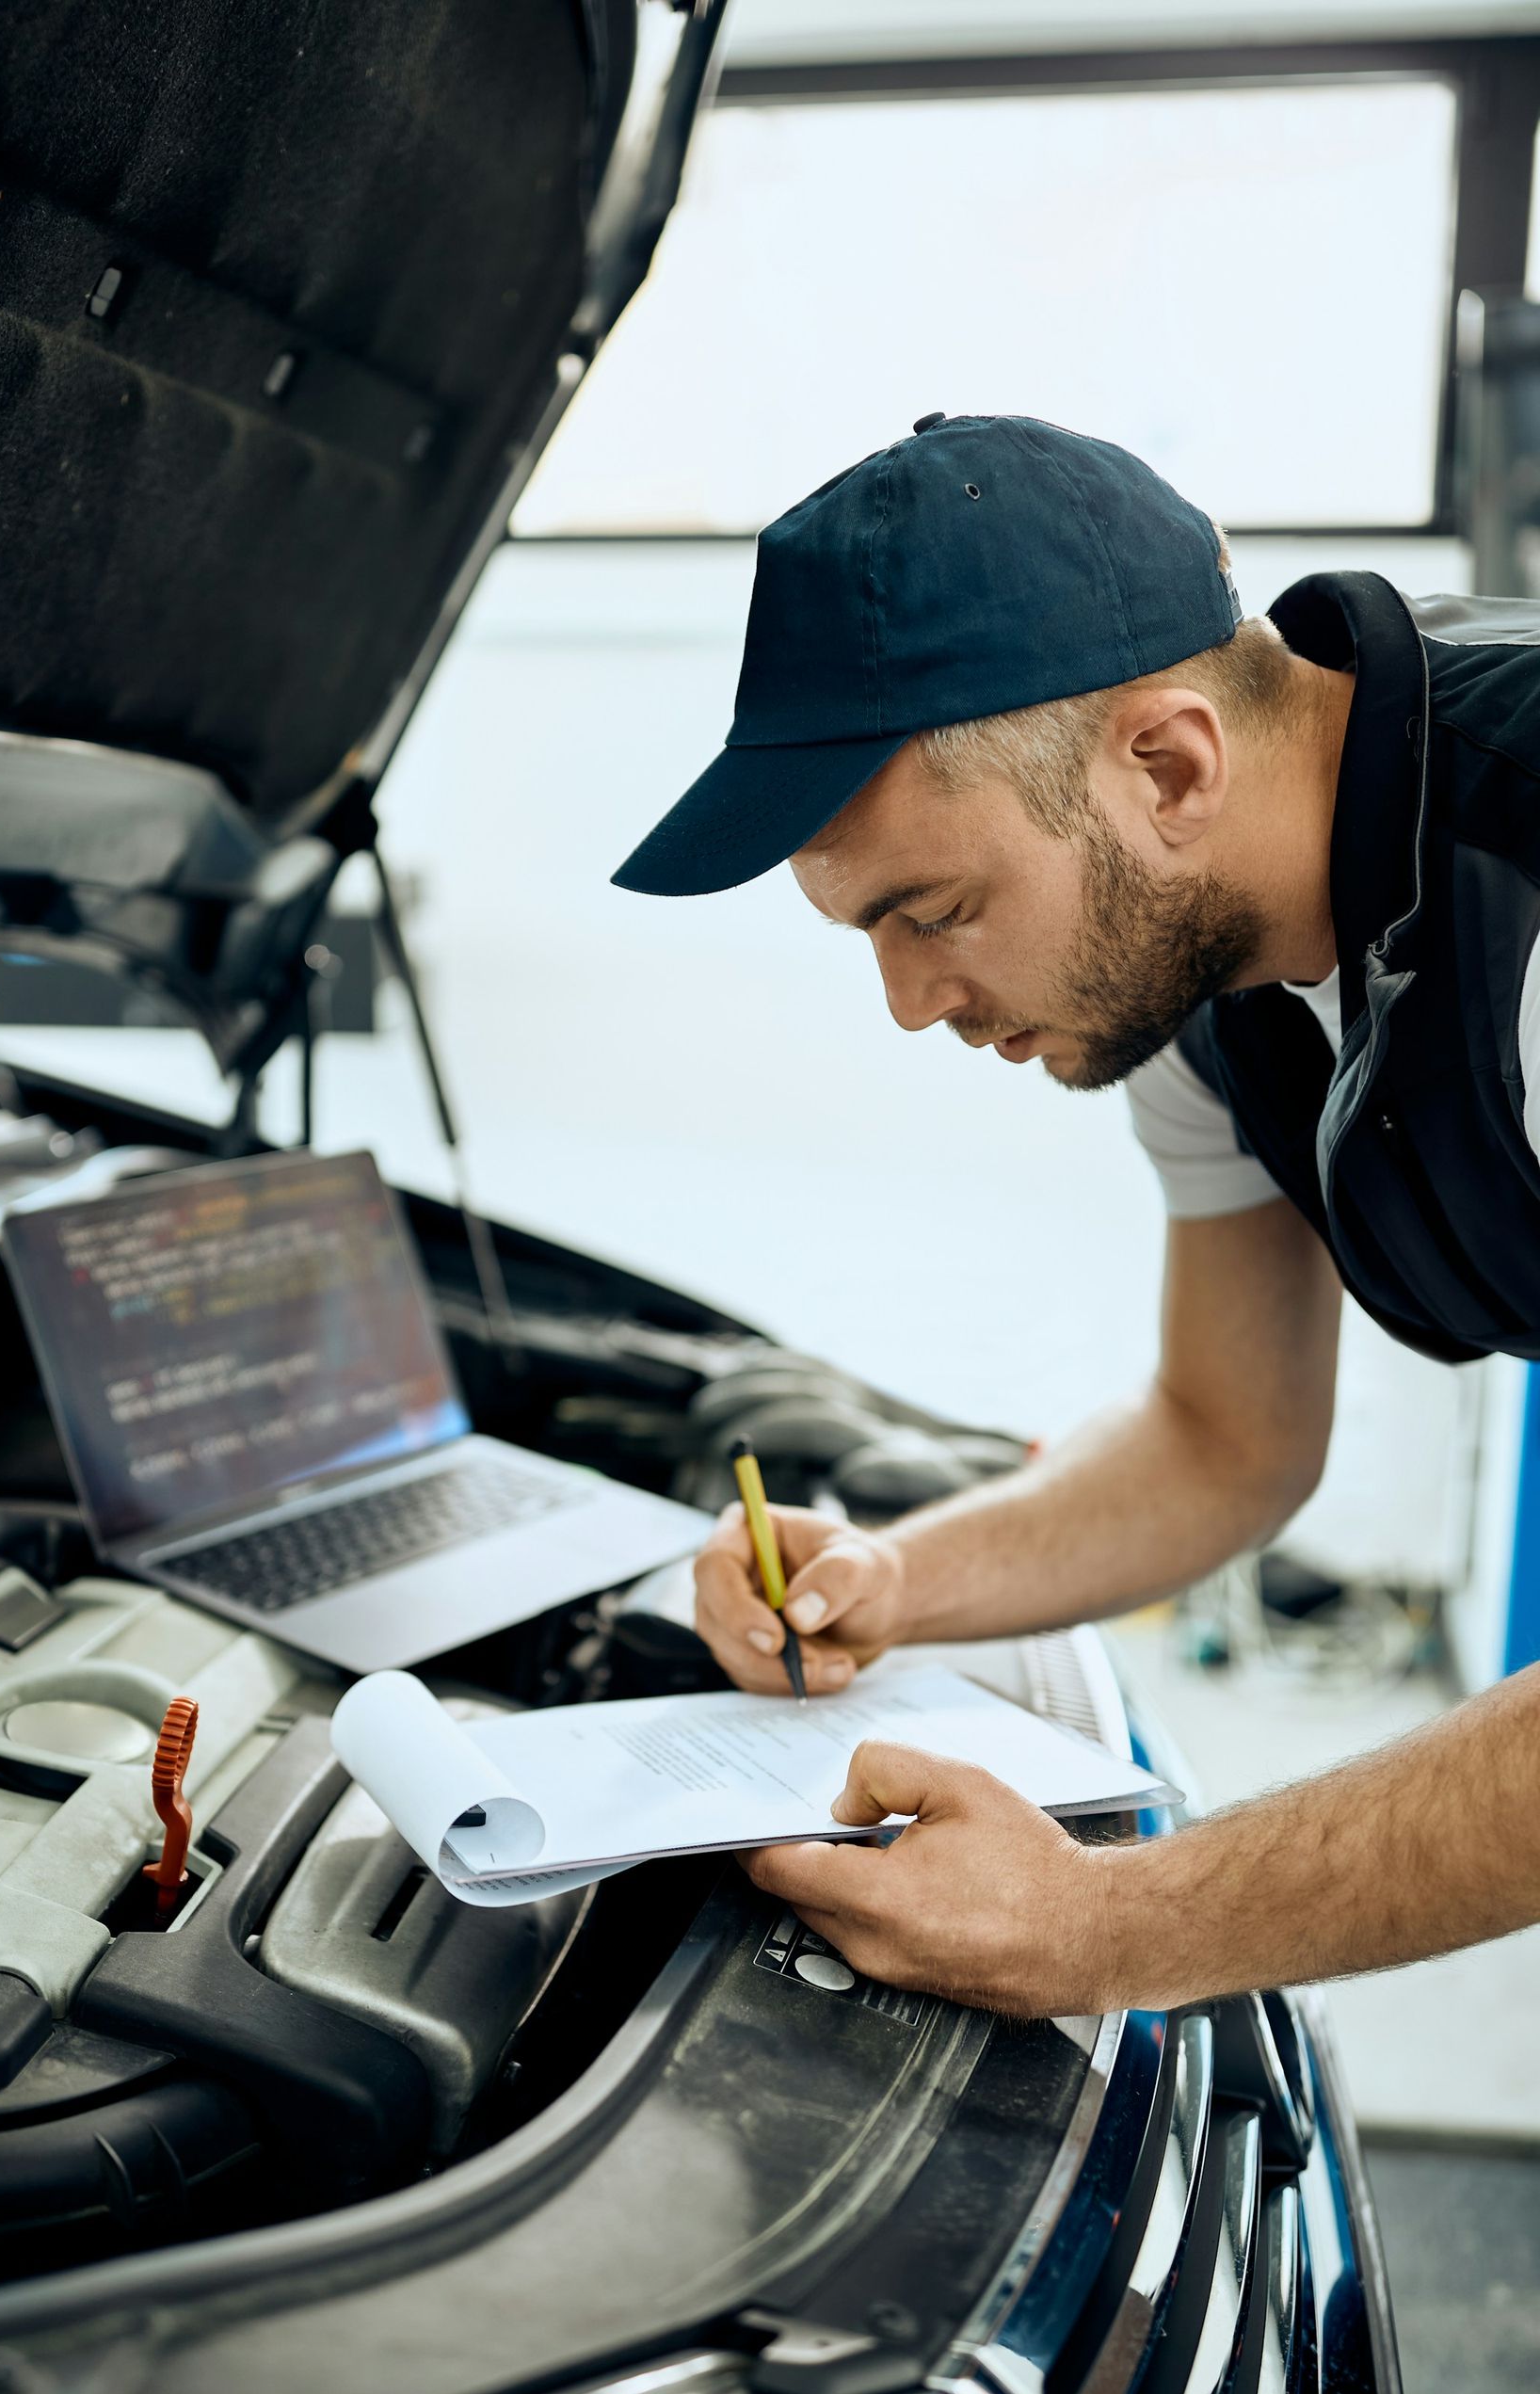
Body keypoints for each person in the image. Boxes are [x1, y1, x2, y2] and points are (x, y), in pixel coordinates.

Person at [611, 411, 1540, 2018]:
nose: (910, 1004)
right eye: (866, 938)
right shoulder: (1212, 965)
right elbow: (1226, 1437)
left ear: (1171, 766)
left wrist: (1111, 1925)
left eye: (939, 911)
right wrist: (897, 1582)